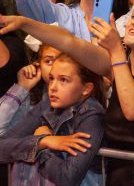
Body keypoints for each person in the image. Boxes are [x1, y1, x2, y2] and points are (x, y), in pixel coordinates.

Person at [0, 0, 134, 186]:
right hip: (119, 178)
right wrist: (23, 23)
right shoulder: (121, 63)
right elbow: (69, 42)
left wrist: (116, 50)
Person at [0, 54, 105, 186]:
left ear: (86, 89)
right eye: (51, 78)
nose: (53, 87)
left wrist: (44, 149)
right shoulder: (47, 105)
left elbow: (67, 177)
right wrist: (43, 141)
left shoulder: (91, 115)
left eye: (64, 80)